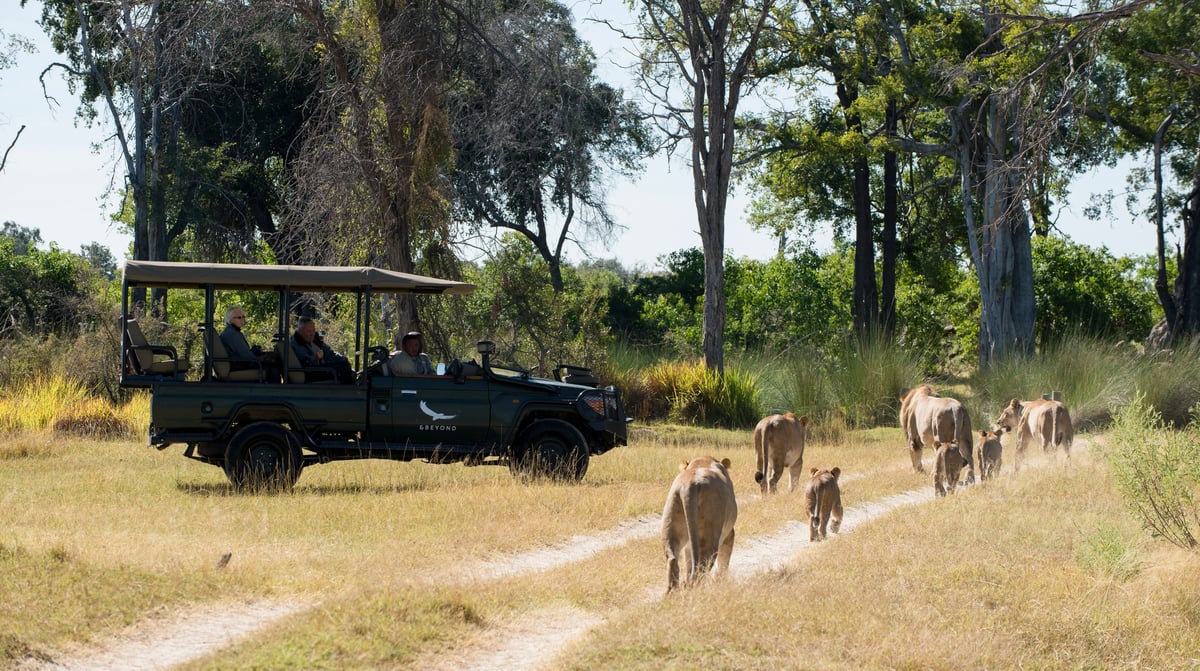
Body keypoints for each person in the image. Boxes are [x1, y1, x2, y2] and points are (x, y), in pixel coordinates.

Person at [219, 306, 279, 381]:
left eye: (243, 317)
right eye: (239, 318)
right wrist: (262, 358)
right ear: (230, 320)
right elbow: (246, 356)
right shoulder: (232, 334)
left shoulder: (232, 332)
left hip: (238, 362)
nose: (242, 320)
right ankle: (276, 391)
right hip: (238, 365)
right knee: (273, 366)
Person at [290, 316, 355, 384]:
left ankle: (350, 388)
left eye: (313, 330)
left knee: (344, 364)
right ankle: (349, 392)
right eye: (309, 331)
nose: (312, 334)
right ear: (300, 331)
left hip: (321, 368)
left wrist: (342, 359)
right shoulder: (295, 344)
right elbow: (304, 362)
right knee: (341, 369)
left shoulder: (315, 340)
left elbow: (329, 352)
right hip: (310, 372)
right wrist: (314, 358)